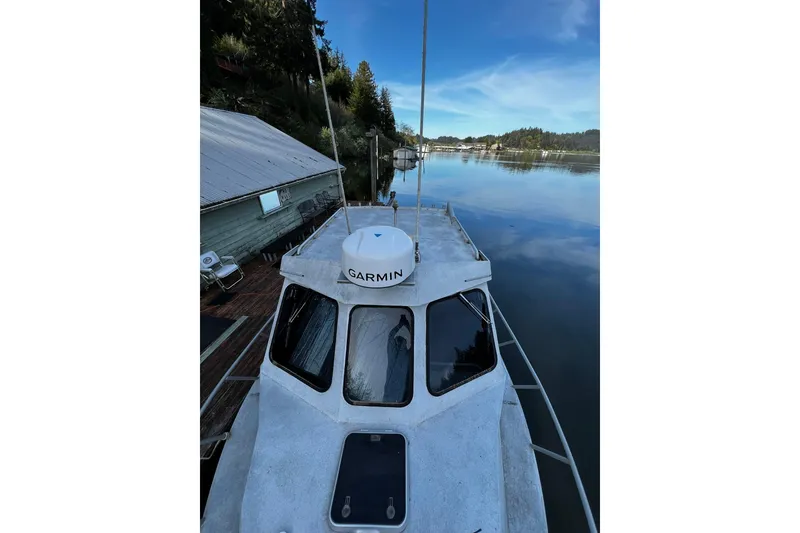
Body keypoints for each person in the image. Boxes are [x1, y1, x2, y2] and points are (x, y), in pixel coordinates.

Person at [383, 313, 411, 402]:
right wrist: (401, 326)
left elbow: (391, 337)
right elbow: (391, 338)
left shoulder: (409, 355)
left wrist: (403, 326)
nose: (399, 342)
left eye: (402, 340)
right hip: (390, 396)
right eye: (399, 340)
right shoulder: (392, 355)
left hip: (402, 395)